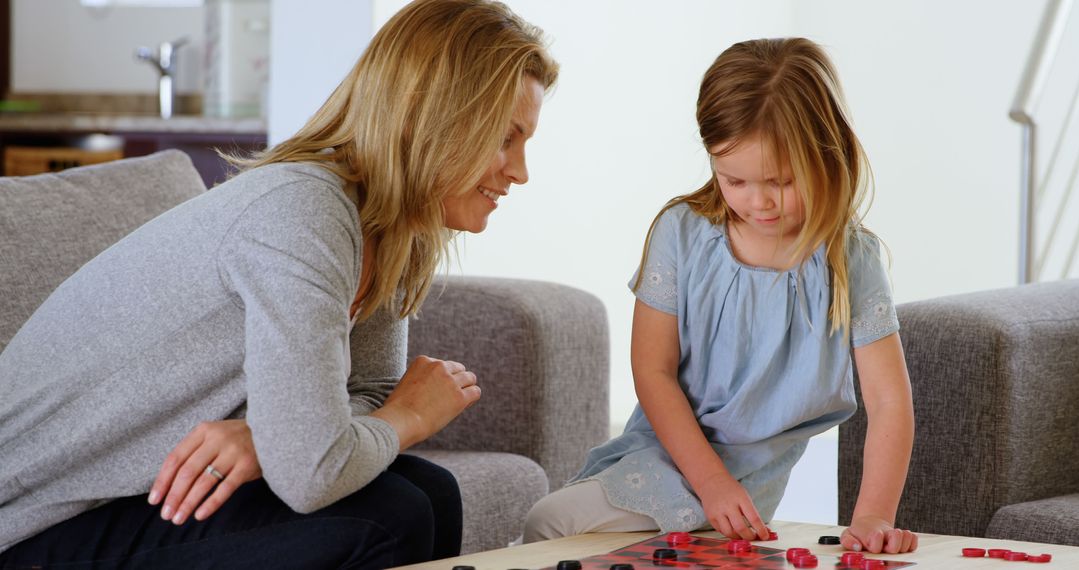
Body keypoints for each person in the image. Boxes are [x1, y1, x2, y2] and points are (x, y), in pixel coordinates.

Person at [0, 0, 557, 567]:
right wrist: (404, 419)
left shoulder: (391, 229)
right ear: (426, 116)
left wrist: (265, 438)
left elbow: (364, 394)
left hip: (140, 496)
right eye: (504, 138)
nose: (520, 171)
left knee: (431, 493)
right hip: (35, 523)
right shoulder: (301, 212)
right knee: (389, 516)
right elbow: (315, 470)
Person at [523, 37, 917, 555]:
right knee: (549, 524)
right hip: (671, 457)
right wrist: (710, 484)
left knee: (554, 524)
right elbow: (653, 371)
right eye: (733, 179)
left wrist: (872, 515)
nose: (759, 202)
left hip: (747, 492)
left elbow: (890, 401)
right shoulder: (681, 234)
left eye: (781, 181)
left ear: (828, 153)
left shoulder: (851, 261)